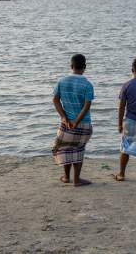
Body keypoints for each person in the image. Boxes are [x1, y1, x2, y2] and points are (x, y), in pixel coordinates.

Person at [51, 54, 94, 186]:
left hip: (66, 122)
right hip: (83, 123)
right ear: (85, 67)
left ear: (71, 66)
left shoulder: (62, 82)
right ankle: (76, 179)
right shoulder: (87, 84)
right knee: (79, 150)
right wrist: (76, 121)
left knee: (64, 149)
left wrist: (64, 118)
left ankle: (66, 176)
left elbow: (55, 100)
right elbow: (87, 106)